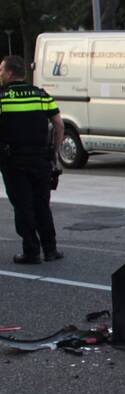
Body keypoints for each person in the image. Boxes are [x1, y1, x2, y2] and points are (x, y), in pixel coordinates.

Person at [0, 54, 64, 264]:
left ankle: (31, 251)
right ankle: (51, 249)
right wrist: (54, 152)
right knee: (42, 205)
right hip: (41, 160)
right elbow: (58, 124)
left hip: (14, 161)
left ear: (9, 73)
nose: (0, 74)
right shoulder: (41, 95)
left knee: (23, 206)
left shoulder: (3, 97)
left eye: (1, 70)